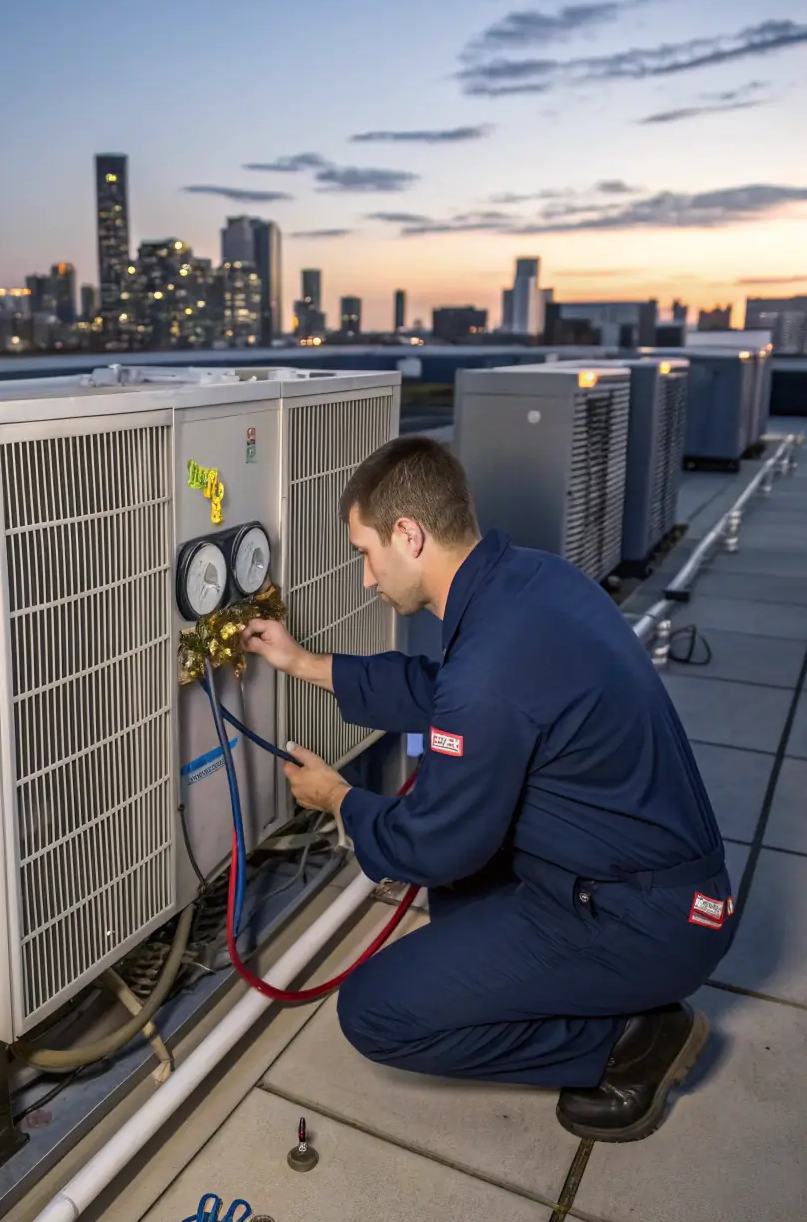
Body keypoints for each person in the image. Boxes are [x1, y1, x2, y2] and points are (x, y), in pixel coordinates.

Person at [240, 435, 736, 1143]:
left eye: (365, 553)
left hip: (648, 920)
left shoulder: (490, 665)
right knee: (459, 903)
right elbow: (446, 694)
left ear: (408, 534)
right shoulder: (531, 580)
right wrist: (305, 663)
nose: (367, 578)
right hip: (656, 886)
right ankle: (604, 992)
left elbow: (435, 842)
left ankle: (628, 1035)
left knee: (374, 1011)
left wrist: (339, 800)